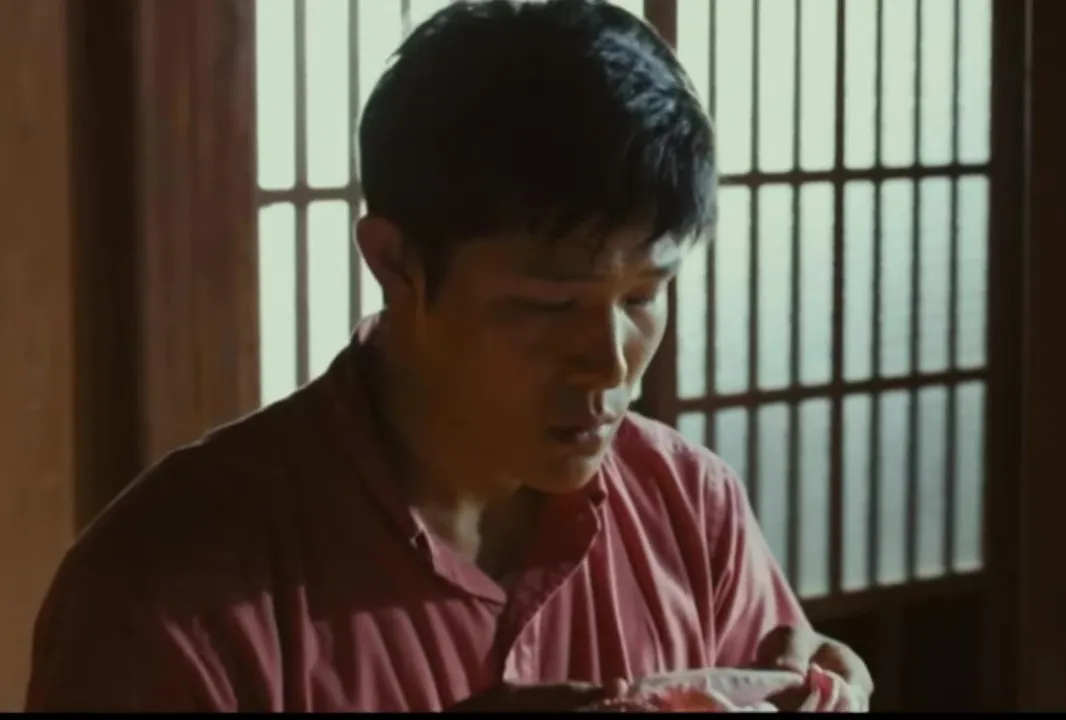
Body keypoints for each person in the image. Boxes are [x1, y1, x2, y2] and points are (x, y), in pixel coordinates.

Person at [24, 0, 872, 712]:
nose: (611, 365)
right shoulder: (166, 590)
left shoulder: (689, 507)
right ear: (395, 264)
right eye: (549, 305)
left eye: (643, 297)